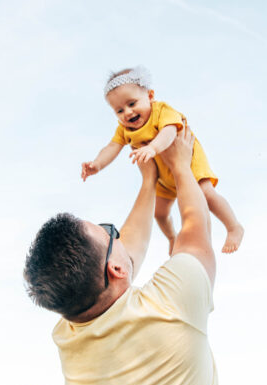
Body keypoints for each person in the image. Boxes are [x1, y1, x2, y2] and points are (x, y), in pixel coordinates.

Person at [25, 125, 223, 385]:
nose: (118, 235)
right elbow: (195, 227)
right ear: (114, 269)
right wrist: (181, 166)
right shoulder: (172, 303)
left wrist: (149, 181)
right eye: (109, 232)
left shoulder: (68, 335)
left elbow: (125, 255)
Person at [81, 66, 244, 254]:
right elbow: (112, 147)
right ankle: (172, 237)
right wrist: (97, 164)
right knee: (160, 212)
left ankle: (233, 226)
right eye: (119, 110)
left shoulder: (161, 110)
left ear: (150, 96)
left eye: (132, 104)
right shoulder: (124, 129)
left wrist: (152, 148)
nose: (127, 112)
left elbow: (170, 131)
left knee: (206, 194)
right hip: (164, 174)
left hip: (188, 164)